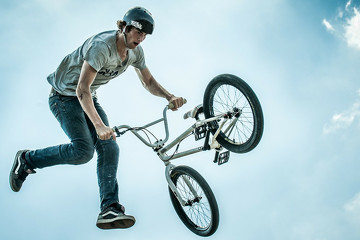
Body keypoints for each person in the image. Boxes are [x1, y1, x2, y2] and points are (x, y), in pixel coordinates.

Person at [9, 6, 184, 230]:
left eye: (144, 36)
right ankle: (27, 160)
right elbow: (81, 88)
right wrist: (99, 126)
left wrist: (170, 97)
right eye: (137, 33)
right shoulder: (101, 47)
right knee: (83, 151)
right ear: (126, 27)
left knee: (110, 147)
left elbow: (148, 81)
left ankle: (109, 207)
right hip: (64, 97)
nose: (140, 39)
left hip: (88, 97)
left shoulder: (135, 52)